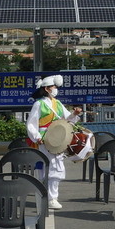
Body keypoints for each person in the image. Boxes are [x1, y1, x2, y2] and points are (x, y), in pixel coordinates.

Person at [26, 74, 81, 210]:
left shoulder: (58, 103)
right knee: (47, 168)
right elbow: (31, 123)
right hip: (45, 139)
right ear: (46, 89)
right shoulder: (39, 104)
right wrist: (37, 136)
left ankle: (51, 197)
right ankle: (47, 196)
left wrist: (74, 114)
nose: (56, 89)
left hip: (57, 138)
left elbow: (67, 119)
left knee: (56, 166)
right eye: (54, 86)